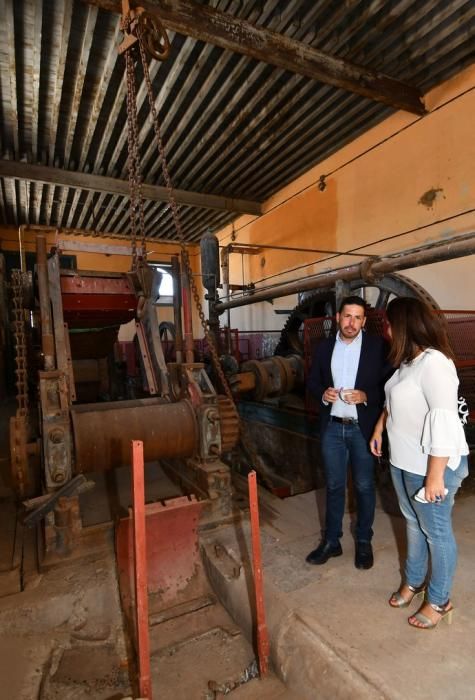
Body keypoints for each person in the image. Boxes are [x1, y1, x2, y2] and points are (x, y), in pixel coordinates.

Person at [370, 297, 469, 629]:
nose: (385, 328)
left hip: (430, 467)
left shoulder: (435, 363)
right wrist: (380, 428)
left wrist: (435, 476)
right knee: (414, 525)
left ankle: (440, 599)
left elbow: (444, 419)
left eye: (388, 323)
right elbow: (394, 401)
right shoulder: (408, 364)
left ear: (404, 325)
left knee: (436, 533)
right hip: (403, 462)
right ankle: (414, 581)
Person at [306, 295, 391, 569]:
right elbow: (312, 382)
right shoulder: (324, 347)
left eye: (357, 317)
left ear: (364, 321)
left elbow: (390, 387)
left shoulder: (378, 348)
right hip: (332, 428)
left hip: (362, 429)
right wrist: (323, 394)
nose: (351, 322)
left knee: (365, 486)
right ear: (338, 318)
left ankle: (364, 540)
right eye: (347, 316)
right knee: (333, 487)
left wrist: (366, 395)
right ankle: (332, 541)